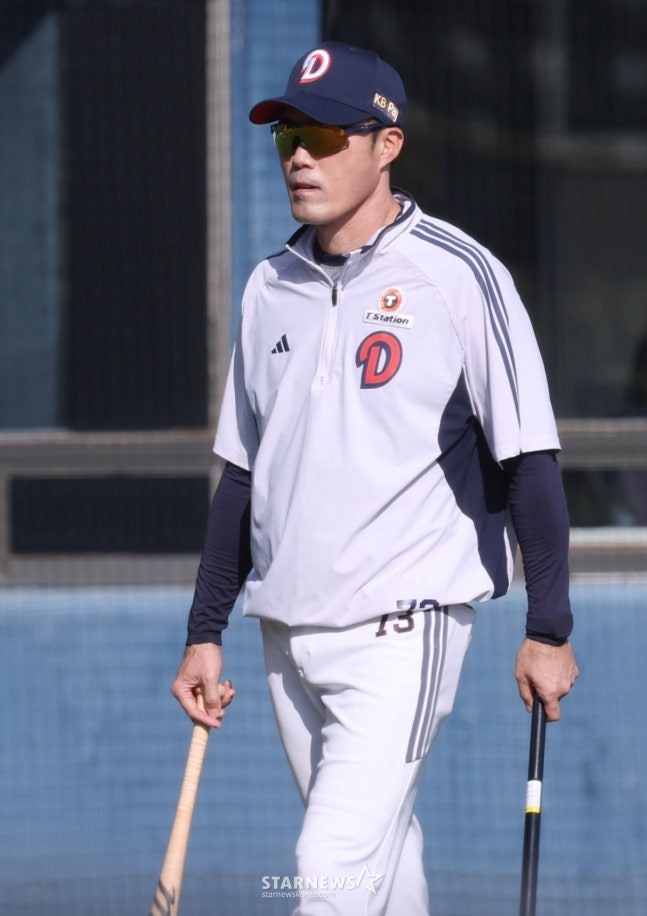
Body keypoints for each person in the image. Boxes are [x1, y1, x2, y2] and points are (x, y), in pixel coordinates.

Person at [171, 41, 579, 915]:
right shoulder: (267, 286)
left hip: (400, 627)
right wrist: (204, 631)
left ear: (387, 145)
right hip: (285, 634)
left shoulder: (458, 275)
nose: (301, 158)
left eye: (322, 136)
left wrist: (548, 625)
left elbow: (529, 459)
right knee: (381, 872)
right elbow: (241, 476)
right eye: (287, 138)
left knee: (328, 872)